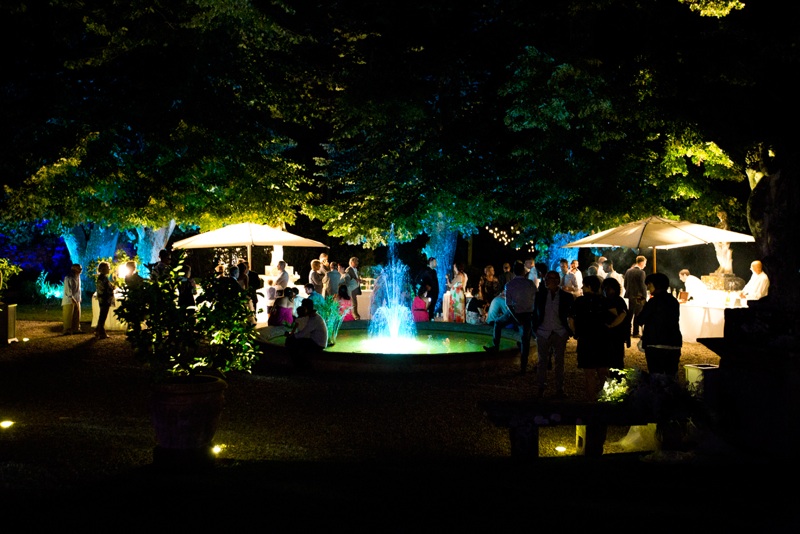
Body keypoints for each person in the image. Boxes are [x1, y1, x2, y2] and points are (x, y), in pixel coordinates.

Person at [484, 262, 536, 374]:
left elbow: (508, 304)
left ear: (514, 271)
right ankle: (523, 366)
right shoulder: (530, 283)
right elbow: (535, 298)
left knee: (497, 323)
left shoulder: (510, 284)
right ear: (523, 271)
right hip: (526, 313)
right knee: (525, 340)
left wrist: (514, 316)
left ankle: (495, 346)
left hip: (513, 312)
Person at [534, 270, 574, 398]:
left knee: (560, 362)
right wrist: (535, 329)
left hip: (559, 332)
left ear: (557, 281)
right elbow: (534, 313)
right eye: (546, 278)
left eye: (550, 278)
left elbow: (571, 315)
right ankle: (541, 387)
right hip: (543, 331)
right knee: (542, 362)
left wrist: (569, 331)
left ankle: (559, 389)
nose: (547, 281)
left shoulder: (566, 296)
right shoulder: (539, 295)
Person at [569, 275, 610, 400]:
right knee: (603, 372)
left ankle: (591, 400)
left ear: (589, 287)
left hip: (586, 340)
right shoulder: (604, 301)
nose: (582, 287)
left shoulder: (580, 301)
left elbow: (571, 320)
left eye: (584, 285)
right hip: (602, 340)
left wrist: (576, 333)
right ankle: (606, 399)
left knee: (589, 373)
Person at [638, 272, 682, 376]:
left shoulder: (654, 302)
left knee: (656, 377)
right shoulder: (673, 301)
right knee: (671, 377)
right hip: (674, 343)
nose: (648, 288)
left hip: (656, 343)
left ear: (656, 285)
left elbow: (641, 319)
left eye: (649, 284)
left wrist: (644, 306)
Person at [285, 298, 328, 368]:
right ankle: (299, 364)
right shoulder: (313, 317)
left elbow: (303, 333)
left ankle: (299, 365)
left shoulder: (314, 319)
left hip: (318, 344)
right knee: (295, 342)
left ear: (306, 308)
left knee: (291, 342)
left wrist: (292, 336)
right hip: (315, 341)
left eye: (302, 306)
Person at [601, 277, 630, 373]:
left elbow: (623, 314)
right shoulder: (617, 300)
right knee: (615, 360)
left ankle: (616, 381)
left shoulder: (614, 300)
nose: (606, 290)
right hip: (614, 334)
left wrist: (611, 325)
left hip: (614, 334)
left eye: (607, 288)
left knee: (615, 361)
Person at [624, 255, 648, 337]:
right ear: (641, 263)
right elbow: (643, 286)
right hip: (639, 296)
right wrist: (645, 297)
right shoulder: (641, 272)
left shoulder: (628, 271)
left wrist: (630, 292)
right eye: (645, 263)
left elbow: (625, 284)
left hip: (630, 296)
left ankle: (627, 331)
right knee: (637, 314)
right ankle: (635, 332)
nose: (645, 265)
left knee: (630, 314)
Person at [94, 261, 115, 339]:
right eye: (108, 268)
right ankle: (101, 332)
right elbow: (105, 289)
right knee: (103, 316)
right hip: (105, 300)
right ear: (103, 269)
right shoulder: (103, 278)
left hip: (104, 299)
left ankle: (98, 330)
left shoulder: (103, 277)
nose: (109, 269)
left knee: (102, 315)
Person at [62, 264, 83, 335]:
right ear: (74, 269)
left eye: (80, 268)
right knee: (68, 315)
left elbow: (78, 289)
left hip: (77, 299)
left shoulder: (78, 277)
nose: (80, 270)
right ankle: (67, 330)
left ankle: (76, 328)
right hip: (69, 300)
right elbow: (68, 289)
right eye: (79, 268)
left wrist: (79, 298)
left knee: (77, 315)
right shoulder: (68, 278)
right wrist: (71, 298)